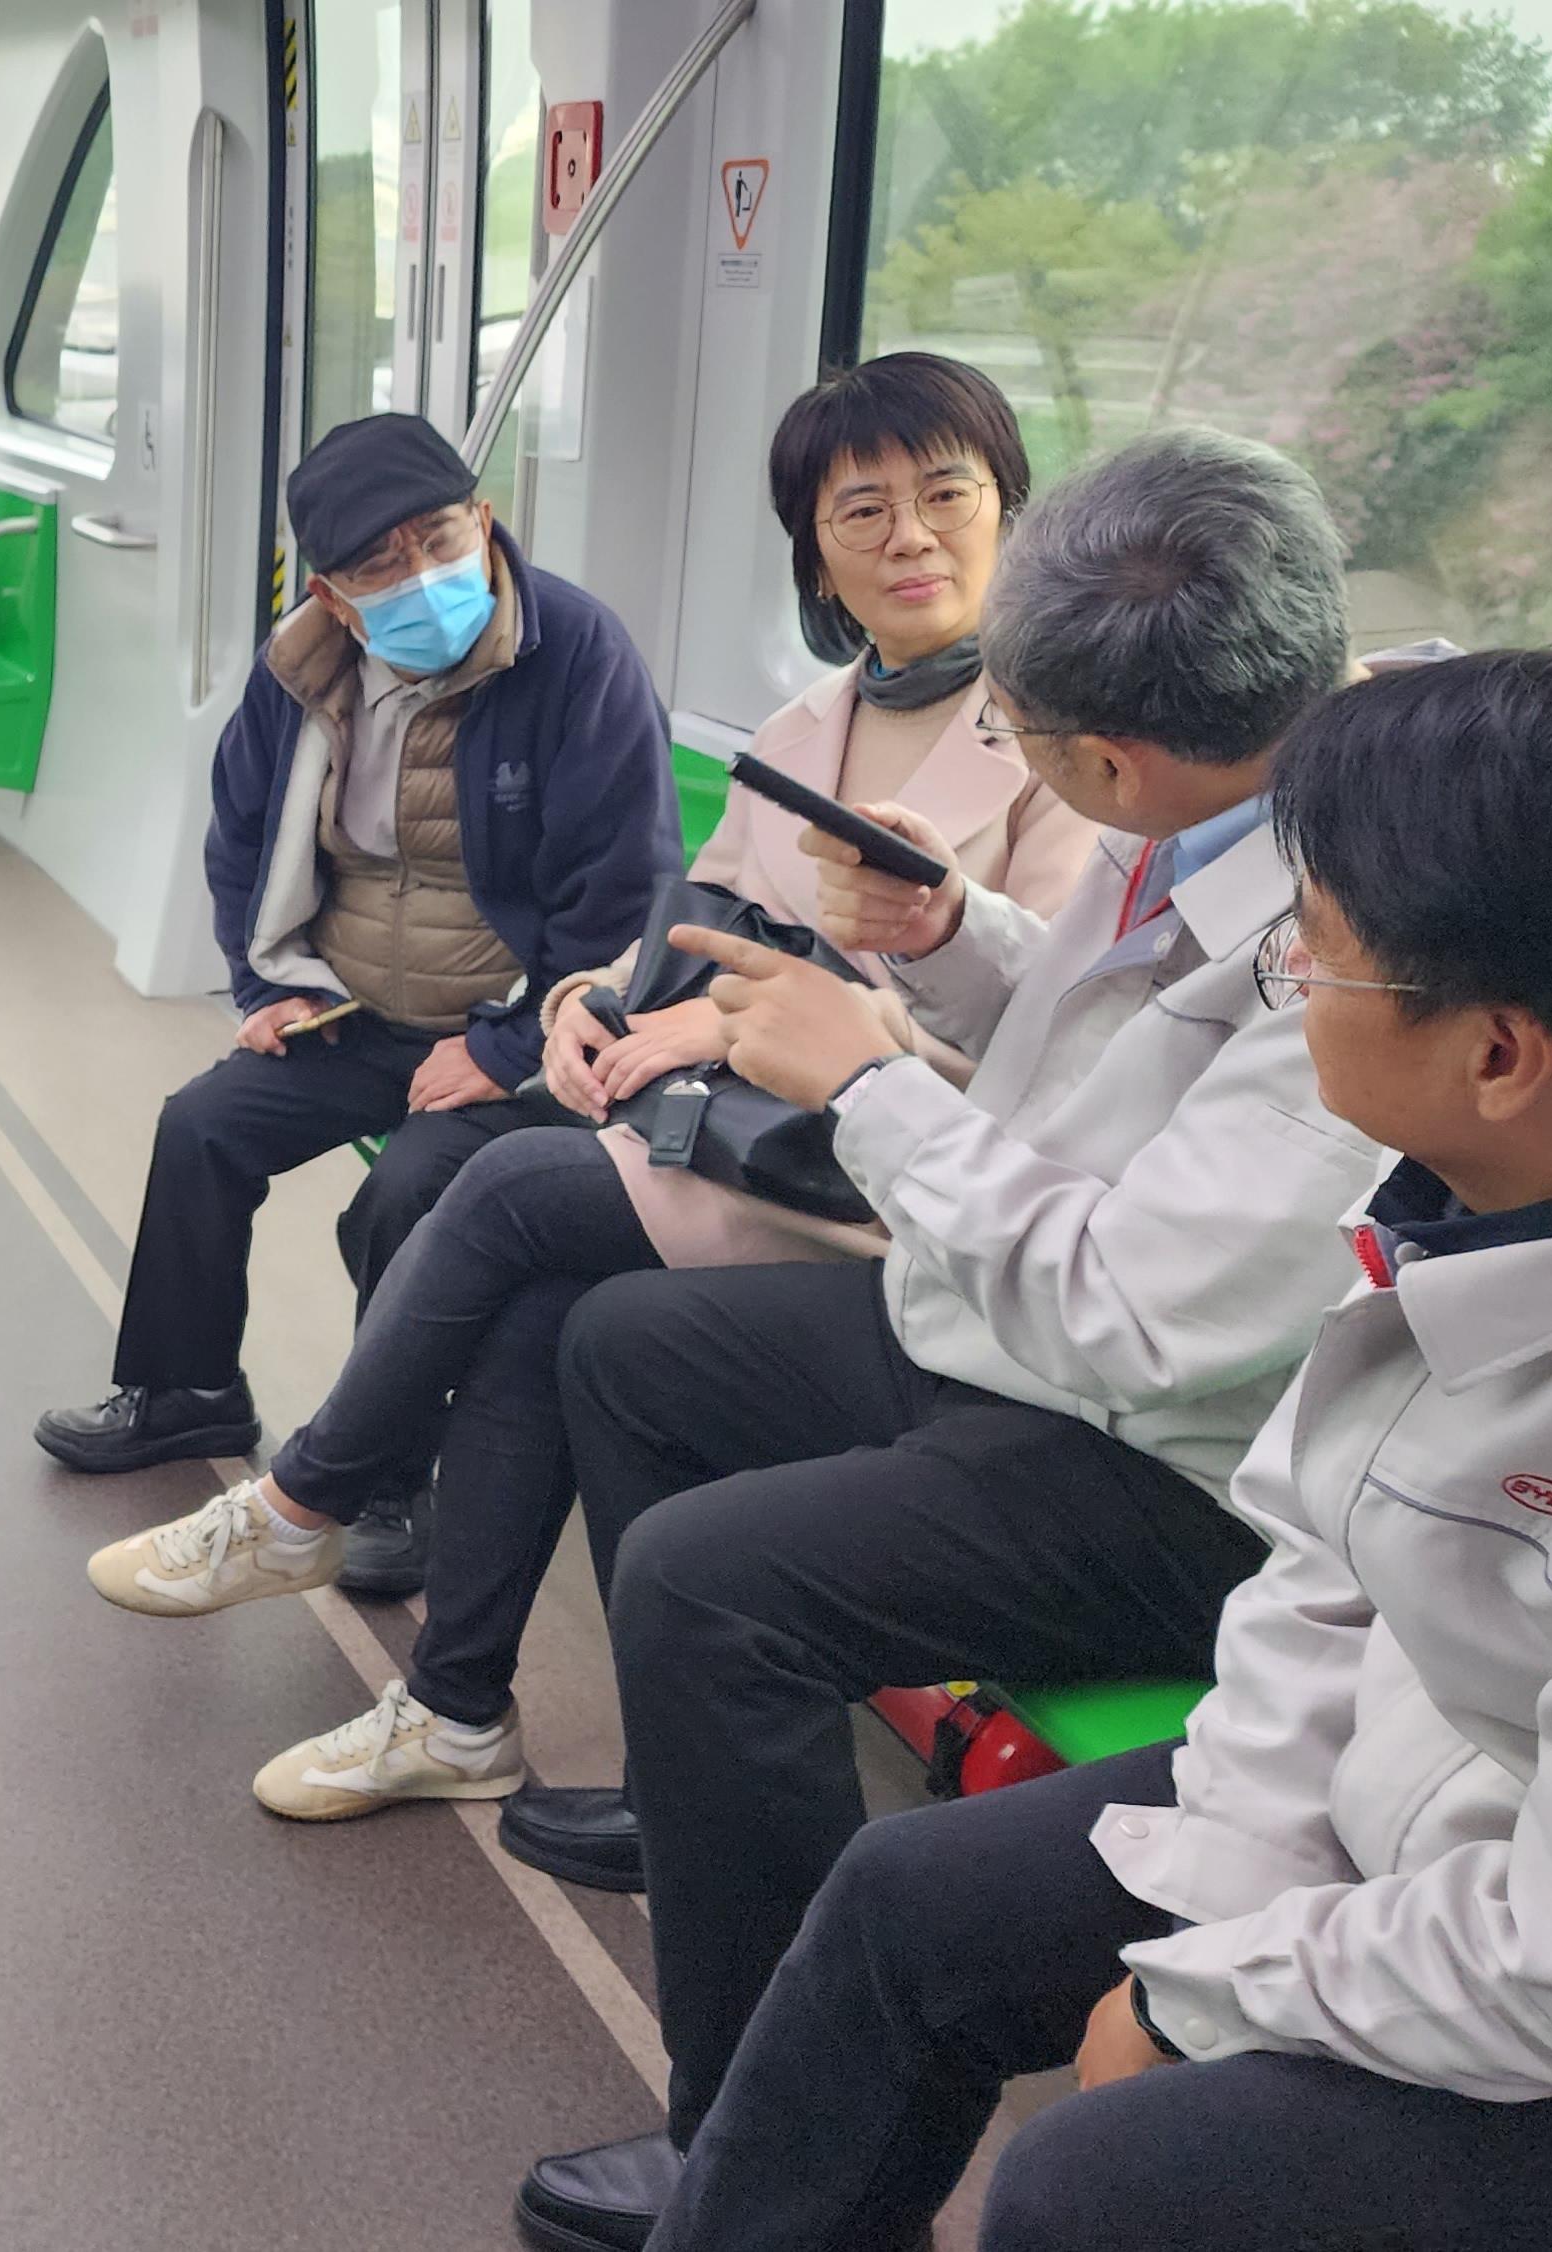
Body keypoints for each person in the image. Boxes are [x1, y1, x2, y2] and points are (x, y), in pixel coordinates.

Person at [651, 646, 1552, 2252]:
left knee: (1107, 2187)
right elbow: (1330, 1551)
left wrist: (1193, 2006)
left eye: (1319, 943)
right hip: (1444, 1788)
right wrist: (1233, 1885)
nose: (1282, 966)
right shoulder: (1518, 1162)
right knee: (905, 1910)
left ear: (1502, 1051)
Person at [506, 426, 1392, 2252]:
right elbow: (1102, 1066)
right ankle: (721, 1820)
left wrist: (861, 1083)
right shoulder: (1201, 818)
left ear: (1107, 762)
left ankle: (744, 2110)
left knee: (705, 1577)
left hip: (1162, 1461)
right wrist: (958, 932)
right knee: (629, 1346)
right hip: (1016, 1331)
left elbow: (1148, 1316)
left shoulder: (1355, 934)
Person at [84, 355, 1101, 1830]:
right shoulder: (811, 728)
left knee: (499, 1190)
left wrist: (743, 1028)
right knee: (544, 1306)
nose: (909, 539)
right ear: (814, 550)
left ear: (1011, 510)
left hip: (916, 1184)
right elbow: (689, 930)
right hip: (757, 1139)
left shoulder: (1072, 753)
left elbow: (1050, 1039)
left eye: (948, 496)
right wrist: (584, 1011)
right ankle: (454, 1707)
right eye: (861, 509)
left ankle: (310, 1500)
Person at [34, 409, 676, 1479]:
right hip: (355, 1011)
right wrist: (258, 987)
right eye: (379, 563)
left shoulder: (578, 654)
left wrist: (506, 1050)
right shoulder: (300, 671)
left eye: (435, 539)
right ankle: (186, 1388)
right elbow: (240, 831)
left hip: (517, 1034)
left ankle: (392, 1472)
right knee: (200, 1127)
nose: (419, 575)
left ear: (484, 519)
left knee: (406, 1198)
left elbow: (621, 898)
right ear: (332, 594)